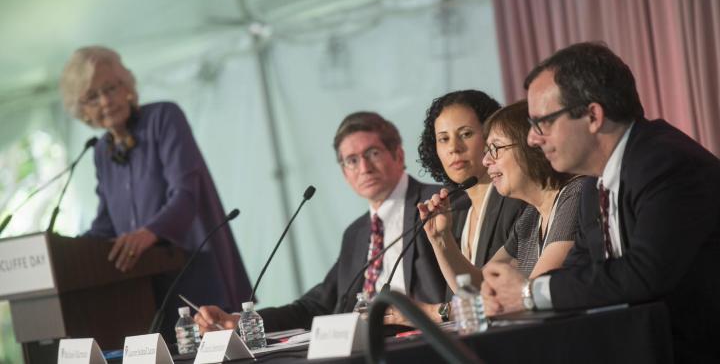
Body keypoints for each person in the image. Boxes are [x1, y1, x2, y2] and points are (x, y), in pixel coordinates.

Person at [480, 42, 720, 362]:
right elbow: (580, 271)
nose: (532, 139)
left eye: (542, 122)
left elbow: (644, 273)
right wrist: (508, 294)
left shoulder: (666, 164)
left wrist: (527, 293)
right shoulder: (594, 185)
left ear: (593, 115)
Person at [60, 46, 253, 338]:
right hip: (144, 290)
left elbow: (186, 194)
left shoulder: (164, 117)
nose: (106, 101)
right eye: (92, 96)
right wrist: (63, 254)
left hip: (196, 271)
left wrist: (147, 232)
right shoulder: (101, 151)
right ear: (82, 109)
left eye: (110, 88)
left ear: (126, 86)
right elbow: (106, 225)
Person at [194, 111, 449, 332]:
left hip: (424, 339)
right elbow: (316, 305)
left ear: (398, 155)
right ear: (344, 173)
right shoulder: (357, 233)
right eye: (351, 160)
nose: (364, 167)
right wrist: (239, 320)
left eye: (372, 153)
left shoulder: (440, 203)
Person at [416, 98, 582, 316]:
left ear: (530, 145)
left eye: (495, 149)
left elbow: (529, 295)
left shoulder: (574, 194)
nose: (486, 161)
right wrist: (441, 239)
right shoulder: (530, 217)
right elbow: (478, 288)